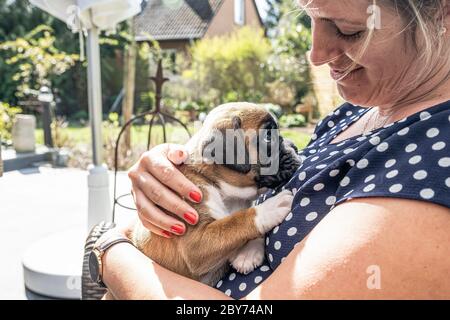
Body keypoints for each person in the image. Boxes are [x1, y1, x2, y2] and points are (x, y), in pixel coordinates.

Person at [98, 0, 450, 299]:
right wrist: (171, 184)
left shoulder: (435, 158)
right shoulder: (353, 114)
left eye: (347, 29)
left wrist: (109, 250)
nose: (315, 53)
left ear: (440, 12)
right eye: (310, 18)